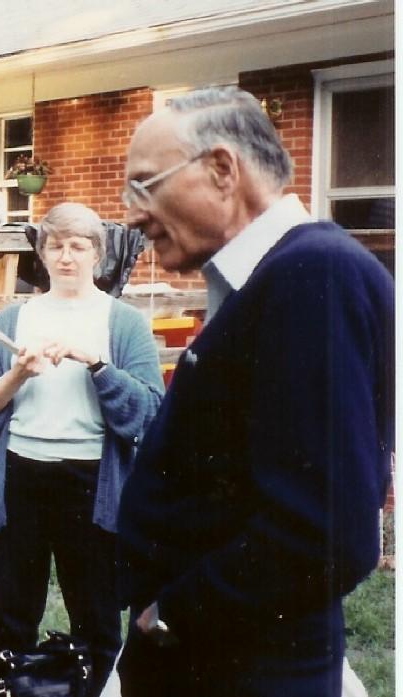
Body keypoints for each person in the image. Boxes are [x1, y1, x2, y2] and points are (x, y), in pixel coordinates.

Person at [116, 86, 393, 696]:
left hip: (238, 671)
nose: (132, 213)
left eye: (144, 185)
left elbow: (326, 532)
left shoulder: (311, 273)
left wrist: (172, 617)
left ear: (221, 170)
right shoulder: (277, 276)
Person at [0, 202, 163, 697]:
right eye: (56, 246)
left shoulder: (122, 323)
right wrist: (18, 373)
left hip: (93, 486)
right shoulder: (15, 316)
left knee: (96, 622)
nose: (67, 257)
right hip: (18, 478)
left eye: (79, 246)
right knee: (13, 618)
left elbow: (150, 410)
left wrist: (96, 364)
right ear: (42, 253)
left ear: (98, 253)